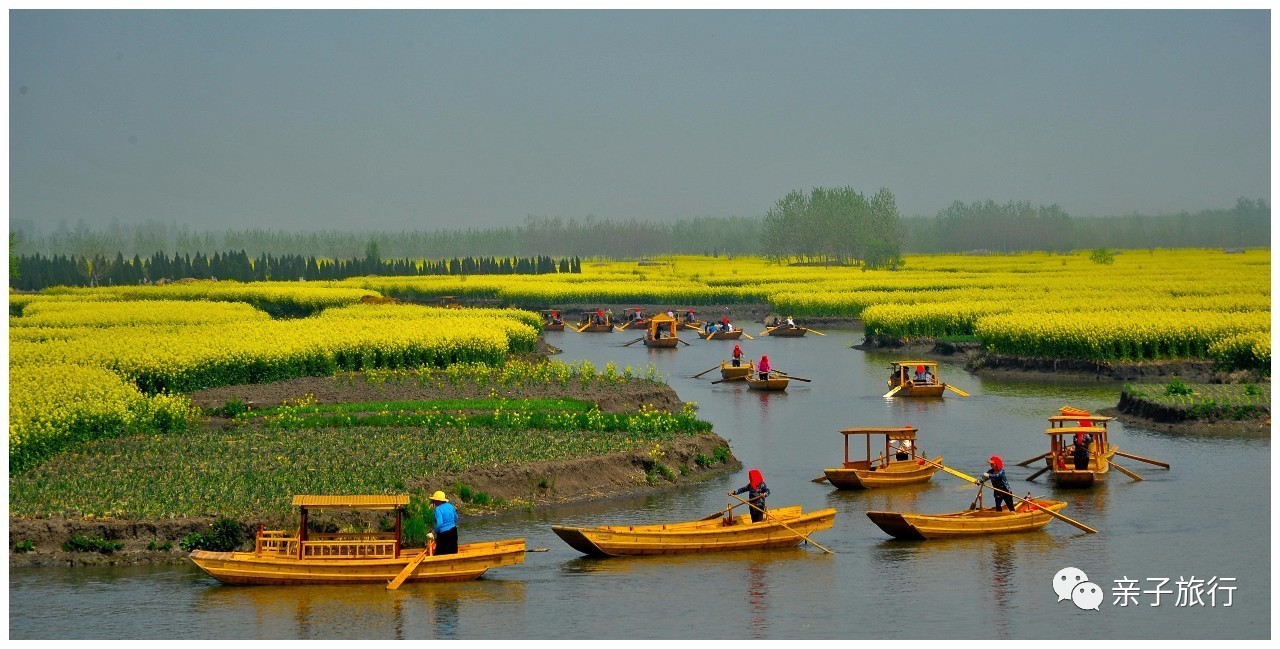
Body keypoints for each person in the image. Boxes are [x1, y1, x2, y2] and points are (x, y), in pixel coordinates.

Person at [428, 490, 458, 555]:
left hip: (444, 535)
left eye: (434, 501)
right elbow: (456, 518)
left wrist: (433, 532)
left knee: (439, 554)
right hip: (453, 531)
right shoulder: (450, 506)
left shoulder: (438, 509)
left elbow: (439, 523)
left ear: (437, 501)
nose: (434, 502)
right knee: (453, 552)